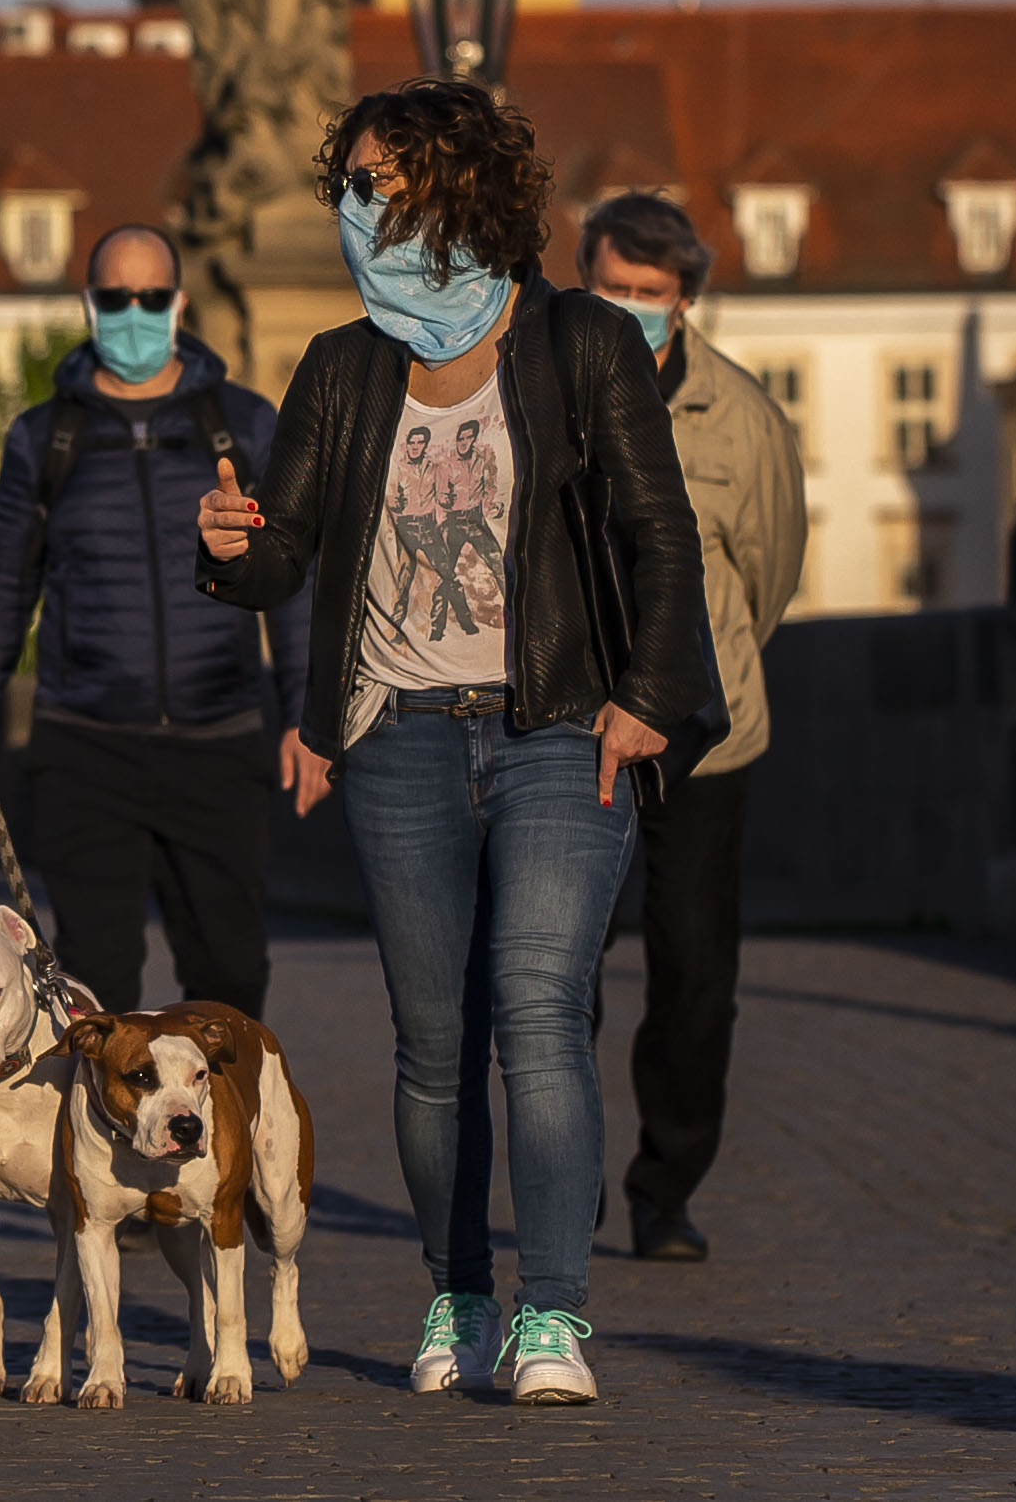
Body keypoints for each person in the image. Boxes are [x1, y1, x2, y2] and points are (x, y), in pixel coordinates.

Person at [193, 77, 709, 1411]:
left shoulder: (579, 341)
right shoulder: (342, 365)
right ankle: (456, 1288)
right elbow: (289, 554)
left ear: (455, 189)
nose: (360, 211)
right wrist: (230, 552)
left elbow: (655, 528)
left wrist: (646, 693)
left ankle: (551, 1310)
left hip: (551, 726)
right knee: (430, 1042)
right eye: (349, 188)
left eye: (382, 185)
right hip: (399, 737)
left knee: (534, 1009)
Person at [0, 221, 318, 1023]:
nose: (134, 313)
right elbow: (4, 589)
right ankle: (100, 1149)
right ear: (89, 303)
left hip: (217, 741)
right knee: (92, 990)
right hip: (86, 747)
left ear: (177, 302)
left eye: (151, 297)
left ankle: (222, 1146)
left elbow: (290, 582)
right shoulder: (45, 437)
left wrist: (304, 716)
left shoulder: (244, 424)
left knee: (228, 980)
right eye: (116, 298)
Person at [577, 192, 806, 1266]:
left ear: (686, 303)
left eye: (650, 298)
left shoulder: (743, 418)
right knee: (558, 972)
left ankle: (664, 1188)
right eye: (612, 291)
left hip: (706, 738)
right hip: (572, 727)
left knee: (694, 976)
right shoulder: (545, 397)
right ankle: (560, 1174)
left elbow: (767, 576)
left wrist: (693, 677)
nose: (630, 312)